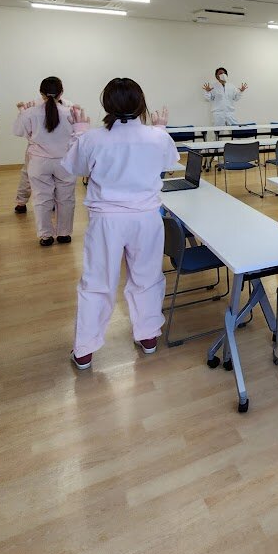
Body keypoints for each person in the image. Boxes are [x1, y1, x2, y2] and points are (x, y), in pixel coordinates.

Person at [63, 78, 179, 370]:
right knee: (147, 276)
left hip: (107, 220)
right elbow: (167, 162)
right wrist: (160, 129)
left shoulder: (93, 138)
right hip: (146, 218)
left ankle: (85, 350)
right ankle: (148, 335)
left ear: (107, 105)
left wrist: (79, 132)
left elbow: (76, 168)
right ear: (141, 104)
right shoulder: (157, 137)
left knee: (97, 281)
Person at [12, 77, 76, 247]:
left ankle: (46, 236)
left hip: (39, 163)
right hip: (65, 162)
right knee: (66, 199)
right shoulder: (71, 112)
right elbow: (78, 136)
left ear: (41, 93)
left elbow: (18, 131)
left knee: (41, 198)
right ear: (61, 93)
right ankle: (64, 234)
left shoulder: (30, 112)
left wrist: (22, 113)